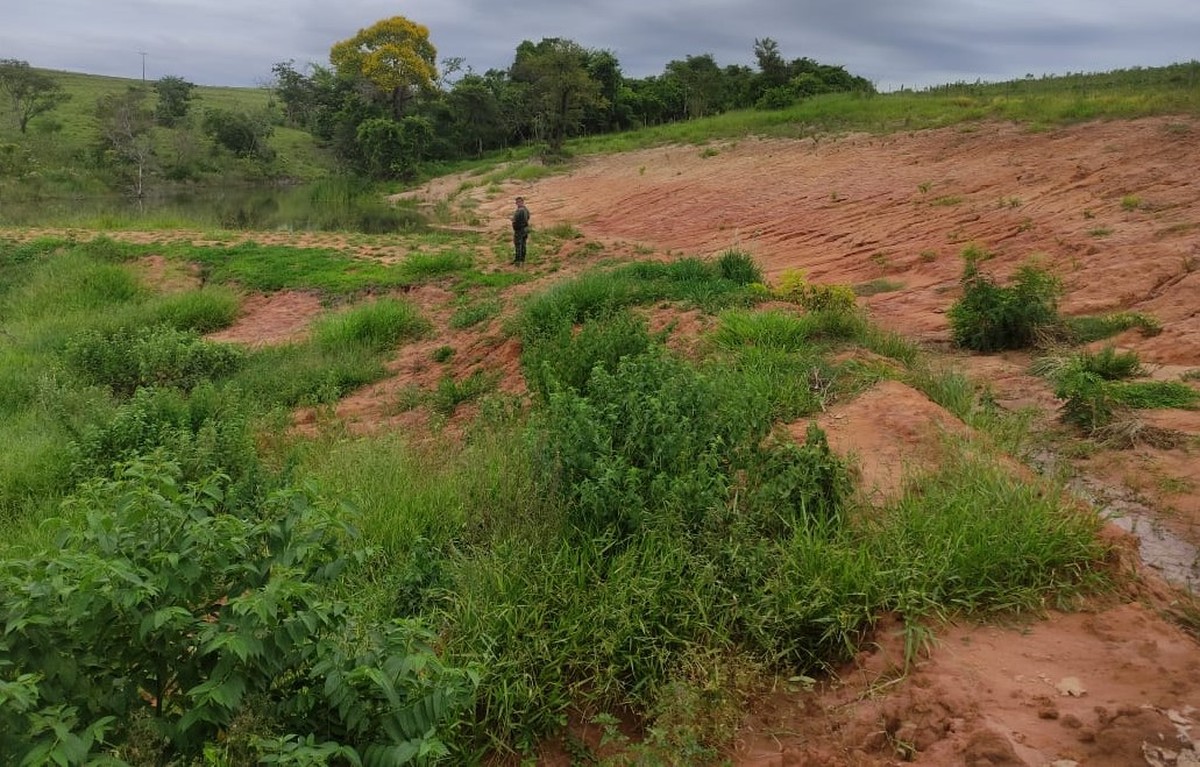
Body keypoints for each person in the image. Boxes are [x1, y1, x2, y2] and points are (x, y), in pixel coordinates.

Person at [511, 196, 530, 264]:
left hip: (519, 230)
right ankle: (522, 259)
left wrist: (513, 221)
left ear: (521, 202)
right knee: (523, 245)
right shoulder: (526, 209)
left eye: (518, 202)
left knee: (518, 245)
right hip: (525, 229)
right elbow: (528, 218)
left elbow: (516, 220)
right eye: (517, 202)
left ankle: (518, 260)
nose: (517, 203)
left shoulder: (520, 210)